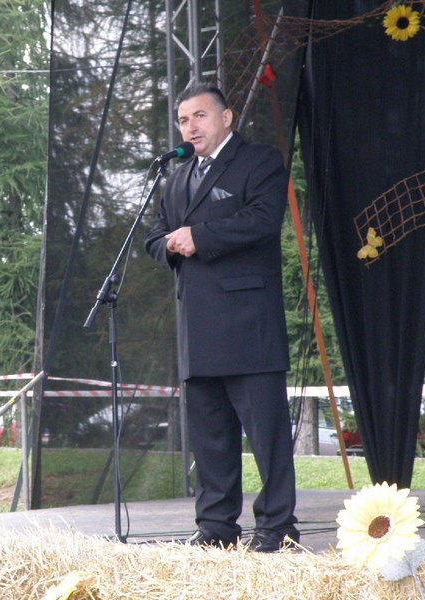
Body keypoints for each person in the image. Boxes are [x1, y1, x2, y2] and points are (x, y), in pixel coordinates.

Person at [144, 82, 298, 552]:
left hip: (249, 323)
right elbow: (154, 236)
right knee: (210, 436)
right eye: (183, 120)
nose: (190, 127)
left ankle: (277, 527)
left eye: (200, 116)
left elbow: (263, 220)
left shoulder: (259, 161)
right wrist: (169, 244)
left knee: (267, 435)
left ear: (226, 118)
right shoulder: (177, 178)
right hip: (198, 325)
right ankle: (216, 526)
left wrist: (200, 236)